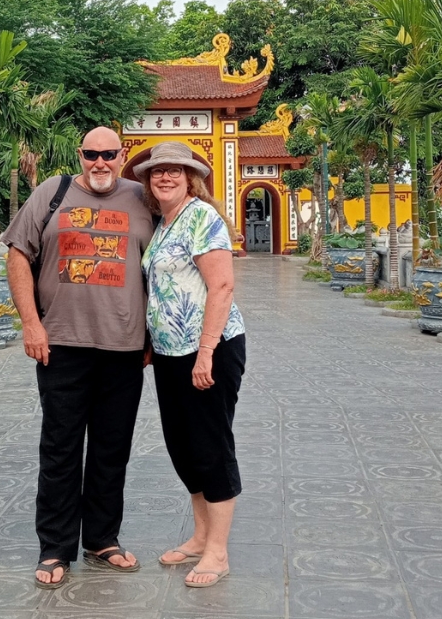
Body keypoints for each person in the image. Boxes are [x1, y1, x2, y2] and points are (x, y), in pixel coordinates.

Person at [3, 126, 155, 589]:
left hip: (124, 348)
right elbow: (16, 253)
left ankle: (102, 539)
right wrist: (31, 323)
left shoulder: (141, 198)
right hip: (62, 345)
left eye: (110, 154)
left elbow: (167, 262)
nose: (101, 162)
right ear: (81, 155)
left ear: (121, 154)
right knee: (61, 448)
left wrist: (156, 335)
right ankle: (55, 547)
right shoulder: (53, 192)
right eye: (92, 154)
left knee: (112, 450)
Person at [134, 140, 247, 589]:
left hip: (209, 351)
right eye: (157, 171)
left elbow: (221, 287)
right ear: (148, 180)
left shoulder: (200, 217)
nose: (165, 176)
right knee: (183, 447)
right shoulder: (164, 223)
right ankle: (200, 537)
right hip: (169, 353)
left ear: (190, 178)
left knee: (210, 445)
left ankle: (217, 552)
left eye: (174, 171)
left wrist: (205, 353)